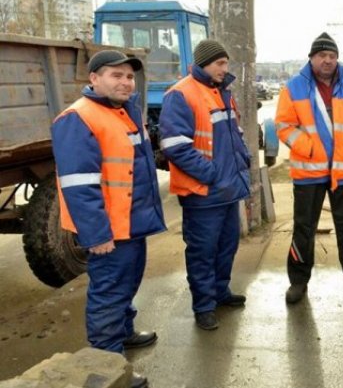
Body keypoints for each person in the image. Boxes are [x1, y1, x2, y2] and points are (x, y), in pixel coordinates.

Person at [52, 50, 166, 388]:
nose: (126, 82)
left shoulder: (124, 113)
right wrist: (97, 234)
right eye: (116, 75)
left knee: (126, 286)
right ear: (94, 79)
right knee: (108, 295)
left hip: (132, 223)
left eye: (129, 76)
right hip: (110, 231)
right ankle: (106, 367)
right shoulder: (79, 118)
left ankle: (125, 332)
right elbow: (79, 186)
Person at [275, 32, 343, 304]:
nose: (327, 61)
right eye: (322, 56)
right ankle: (298, 281)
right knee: (303, 228)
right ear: (311, 58)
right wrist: (307, 148)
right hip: (309, 173)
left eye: (332, 56)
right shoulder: (294, 87)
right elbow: (284, 125)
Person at [159, 39, 251, 330]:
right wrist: (210, 174)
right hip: (203, 192)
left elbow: (234, 134)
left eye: (226, 63)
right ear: (203, 64)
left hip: (227, 190)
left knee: (227, 247)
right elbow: (175, 146)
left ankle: (220, 292)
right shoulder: (181, 94)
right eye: (220, 63)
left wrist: (243, 162)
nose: (225, 68)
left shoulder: (221, 92)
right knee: (202, 252)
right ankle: (203, 306)